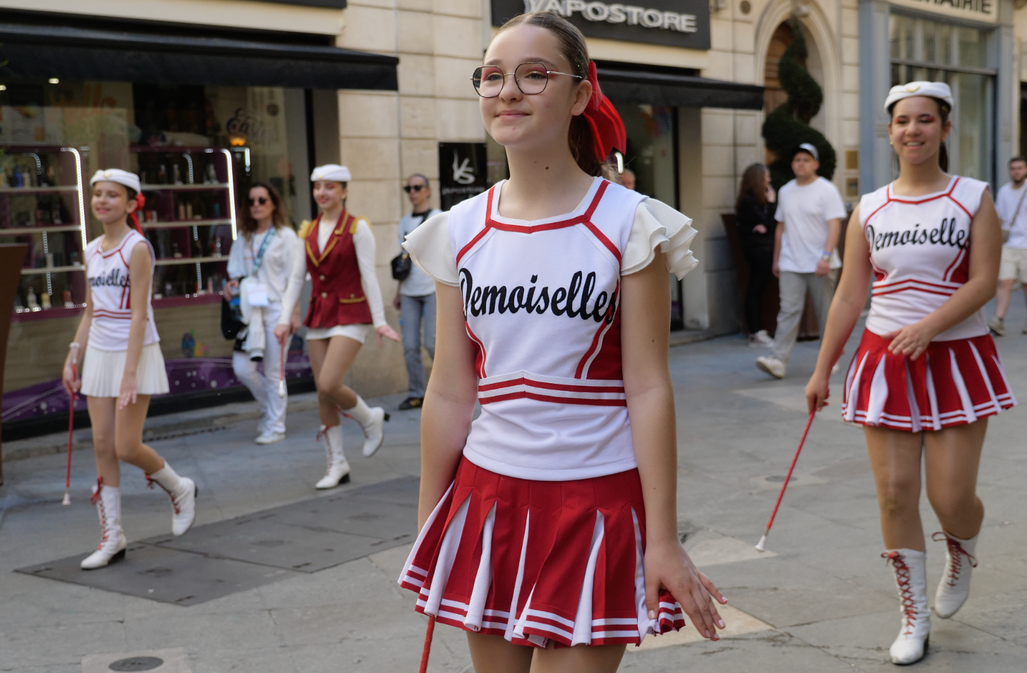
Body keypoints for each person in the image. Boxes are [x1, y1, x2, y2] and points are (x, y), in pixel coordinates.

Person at [397, 13, 726, 672]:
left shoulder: (630, 223)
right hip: (486, 500)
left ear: (579, 95)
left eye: (533, 75)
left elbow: (648, 386)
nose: (508, 91)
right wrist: (431, 524)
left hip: (597, 503)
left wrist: (662, 536)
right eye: (493, 76)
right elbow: (451, 390)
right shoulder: (458, 228)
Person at [806, 82, 1013, 665]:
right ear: (890, 132)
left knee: (951, 498)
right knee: (896, 495)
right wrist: (822, 370)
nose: (913, 130)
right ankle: (914, 615)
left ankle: (962, 547)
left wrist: (930, 326)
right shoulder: (870, 207)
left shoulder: (973, 198)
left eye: (925, 120)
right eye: (902, 120)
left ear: (945, 129)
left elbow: (984, 280)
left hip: (957, 358)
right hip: (885, 360)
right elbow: (850, 295)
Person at [62, 169, 197, 570]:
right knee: (102, 445)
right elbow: (91, 310)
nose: (102, 201)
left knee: (126, 446)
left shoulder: (137, 247)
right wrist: (73, 355)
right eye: (97, 194)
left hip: (134, 351)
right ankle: (112, 537)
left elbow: (140, 315)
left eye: (112, 195)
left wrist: (131, 372)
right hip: (99, 353)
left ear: (131, 203)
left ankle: (179, 487)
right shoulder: (91, 250)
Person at [298, 164, 401, 489]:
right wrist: (285, 319)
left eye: (330, 187)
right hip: (319, 315)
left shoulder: (358, 227)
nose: (322, 192)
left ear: (344, 191)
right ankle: (337, 463)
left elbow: (369, 276)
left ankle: (370, 419)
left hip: (350, 313)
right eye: (318, 187)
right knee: (323, 394)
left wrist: (380, 321)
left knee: (330, 383)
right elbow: (295, 279)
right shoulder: (308, 230)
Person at [224, 182, 306, 445]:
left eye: (262, 200)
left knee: (274, 371)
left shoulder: (285, 236)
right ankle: (270, 409)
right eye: (251, 201)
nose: (256, 205)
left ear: (273, 204)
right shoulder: (244, 237)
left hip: (276, 310)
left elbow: (295, 278)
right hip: (249, 313)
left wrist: (294, 314)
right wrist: (231, 286)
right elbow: (235, 273)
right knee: (242, 368)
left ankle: (276, 426)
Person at [757, 143, 848, 379]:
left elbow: (834, 226)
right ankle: (778, 360)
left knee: (826, 313)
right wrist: (777, 259)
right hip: (791, 262)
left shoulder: (826, 190)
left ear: (815, 164)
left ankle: (830, 358)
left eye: (806, 160)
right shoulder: (786, 191)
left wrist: (826, 257)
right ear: (792, 164)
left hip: (820, 263)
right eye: (797, 160)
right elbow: (781, 227)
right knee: (788, 310)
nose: (801, 164)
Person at [394, 174, 439, 411]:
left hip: (432, 289)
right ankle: (417, 393)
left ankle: (448, 389)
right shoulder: (404, 222)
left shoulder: (438, 217)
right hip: (409, 290)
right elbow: (403, 259)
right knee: (410, 346)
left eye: (417, 187)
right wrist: (398, 292)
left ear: (428, 190)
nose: (413, 192)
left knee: (432, 343)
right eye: (408, 188)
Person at [991, 156, 1027, 336]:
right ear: (1009, 171)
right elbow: (999, 219)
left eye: (1020, 168)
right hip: (1009, 244)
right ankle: (998, 320)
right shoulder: (1004, 191)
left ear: (1026, 170)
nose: (1016, 172)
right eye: (1013, 168)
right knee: (1004, 281)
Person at [736, 163, 778, 347]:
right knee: (755, 289)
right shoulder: (748, 202)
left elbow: (767, 225)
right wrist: (772, 203)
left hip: (761, 249)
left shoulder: (755, 201)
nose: (769, 180)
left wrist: (766, 224)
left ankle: (756, 331)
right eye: (766, 177)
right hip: (758, 250)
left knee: (757, 289)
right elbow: (770, 223)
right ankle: (755, 332)